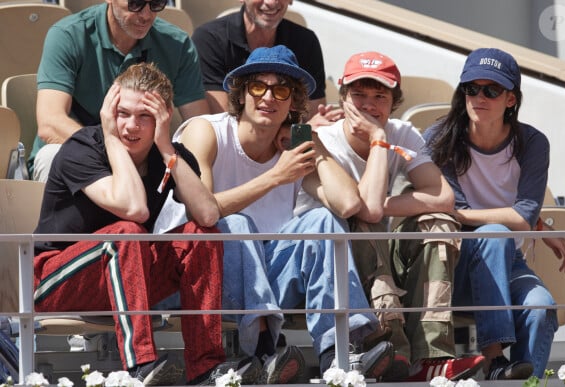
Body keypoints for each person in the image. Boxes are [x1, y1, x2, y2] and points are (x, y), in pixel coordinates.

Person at [169, 44, 395, 382]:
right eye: (258, 86)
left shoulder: (295, 143)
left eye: (282, 89)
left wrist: (313, 147)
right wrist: (276, 175)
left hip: (266, 276)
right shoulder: (206, 130)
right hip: (199, 275)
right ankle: (262, 351)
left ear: (294, 102)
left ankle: (341, 353)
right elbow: (204, 212)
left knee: (323, 221)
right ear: (242, 94)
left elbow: (348, 204)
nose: (269, 97)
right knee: (237, 222)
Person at [32, 63, 248, 386]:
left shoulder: (170, 154)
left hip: (126, 277)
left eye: (144, 116)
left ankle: (205, 366)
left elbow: (207, 215)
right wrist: (110, 136)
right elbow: (133, 208)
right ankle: (140, 365)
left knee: (199, 235)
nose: (130, 126)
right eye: (122, 113)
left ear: (163, 118)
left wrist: (166, 148)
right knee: (127, 233)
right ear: (108, 112)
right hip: (55, 280)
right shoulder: (82, 147)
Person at [293, 51, 485, 382]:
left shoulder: (402, 132)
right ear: (342, 97)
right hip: (329, 268)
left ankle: (431, 357)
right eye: (359, 95)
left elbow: (442, 196)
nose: (369, 105)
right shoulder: (322, 139)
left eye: (380, 96)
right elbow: (362, 210)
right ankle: (391, 345)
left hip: (379, 256)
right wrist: (379, 141)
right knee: (360, 219)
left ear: (394, 101)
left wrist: (383, 197)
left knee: (437, 222)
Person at [424, 47, 565, 380]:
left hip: (508, 261)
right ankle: (494, 359)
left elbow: (518, 216)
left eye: (491, 90)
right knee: (495, 231)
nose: (479, 97)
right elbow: (458, 211)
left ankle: (524, 381)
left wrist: (532, 221)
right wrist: (525, 220)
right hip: (453, 262)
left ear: (510, 99)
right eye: (471, 88)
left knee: (541, 308)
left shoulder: (532, 143)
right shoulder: (438, 138)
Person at [32, 0, 209, 182]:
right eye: (136, 4)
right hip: (81, 151)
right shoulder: (68, 35)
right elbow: (50, 123)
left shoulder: (177, 43)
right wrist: (115, 153)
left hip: (144, 158)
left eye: (156, 3)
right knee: (51, 156)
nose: (147, 15)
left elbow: (199, 125)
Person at [192, 0, 341, 125]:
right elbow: (225, 121)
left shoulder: (306, 41)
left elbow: (312, 114)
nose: (271, 2)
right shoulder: (209, 39)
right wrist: (290, 131)